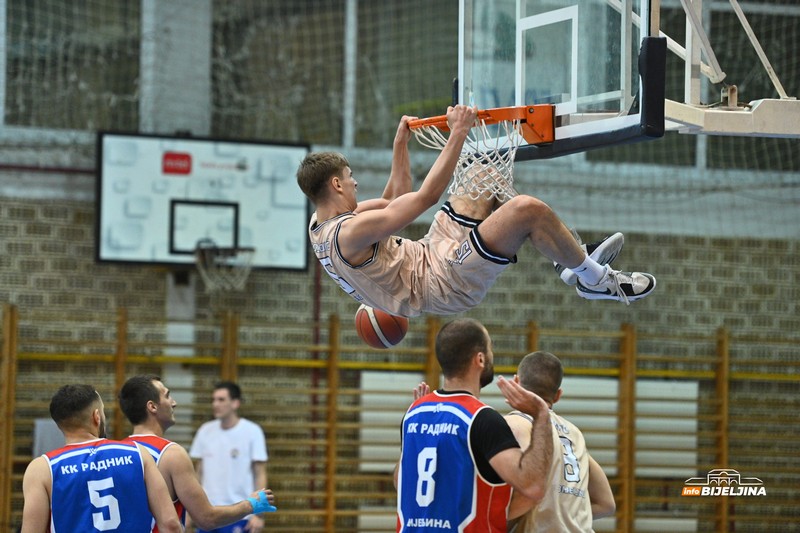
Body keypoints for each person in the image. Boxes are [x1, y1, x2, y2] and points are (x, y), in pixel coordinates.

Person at [296, 105, 655, 318]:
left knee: (484, 174)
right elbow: (425, 197)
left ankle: (569, 260)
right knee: (526, 209)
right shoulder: (349, 233)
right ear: (336, 185)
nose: (356, 183)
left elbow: (395, 200)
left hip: (430, 252)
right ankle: (597, 281)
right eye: (350, 177)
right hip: (443, 282)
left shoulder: (321, 224)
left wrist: (399, 146)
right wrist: (459, 132)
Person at [394, 318, 554, 532]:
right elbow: (532, 487)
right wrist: (541, 415)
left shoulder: (414, 413)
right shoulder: (482, 419)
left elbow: (401, 481)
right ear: (480, 359)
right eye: (490, 349)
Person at [119, 375, 276, 533]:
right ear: (152, 407)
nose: (174, 402)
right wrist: (252, 504)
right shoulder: (172, 453)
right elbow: (207, 518)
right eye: (167, 396)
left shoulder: (116, 452)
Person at [20, 384, 183, 533]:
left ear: (59, 424)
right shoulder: (138, 453)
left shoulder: (42, 468)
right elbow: (170, 524)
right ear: (96, 416)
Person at [505, 351, 616, 532]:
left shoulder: (516, 423)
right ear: (557, 395)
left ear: (516, 382)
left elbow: (529, 490)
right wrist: (564, 517)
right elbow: (607, 504)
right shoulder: (574, 434)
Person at [189, 381, 269, 533]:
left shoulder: (252, 431)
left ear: (235, 403)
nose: (215, 404)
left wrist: (259, 514)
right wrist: (191, 510)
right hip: (208, 514)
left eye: (221, 400)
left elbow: (260, 474)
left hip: (240, 514)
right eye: (213, 400)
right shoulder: (205, 431)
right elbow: (197, 474)